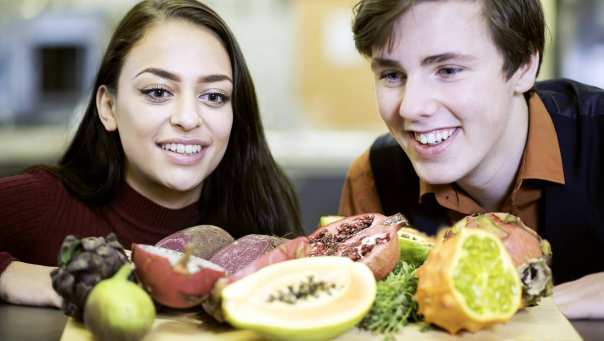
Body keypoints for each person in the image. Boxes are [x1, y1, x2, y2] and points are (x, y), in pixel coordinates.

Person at [0, 0, 302, 308]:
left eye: (213, 96)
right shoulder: (45, 201)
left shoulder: (260, 214)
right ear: (108, 107)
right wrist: (11, 276)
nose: (187, 118)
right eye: (158, 92)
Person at [340, 0, 604, 319]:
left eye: (448, 70)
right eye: (392, 74)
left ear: (524, 66)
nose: (411, 107)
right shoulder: (374, 177)